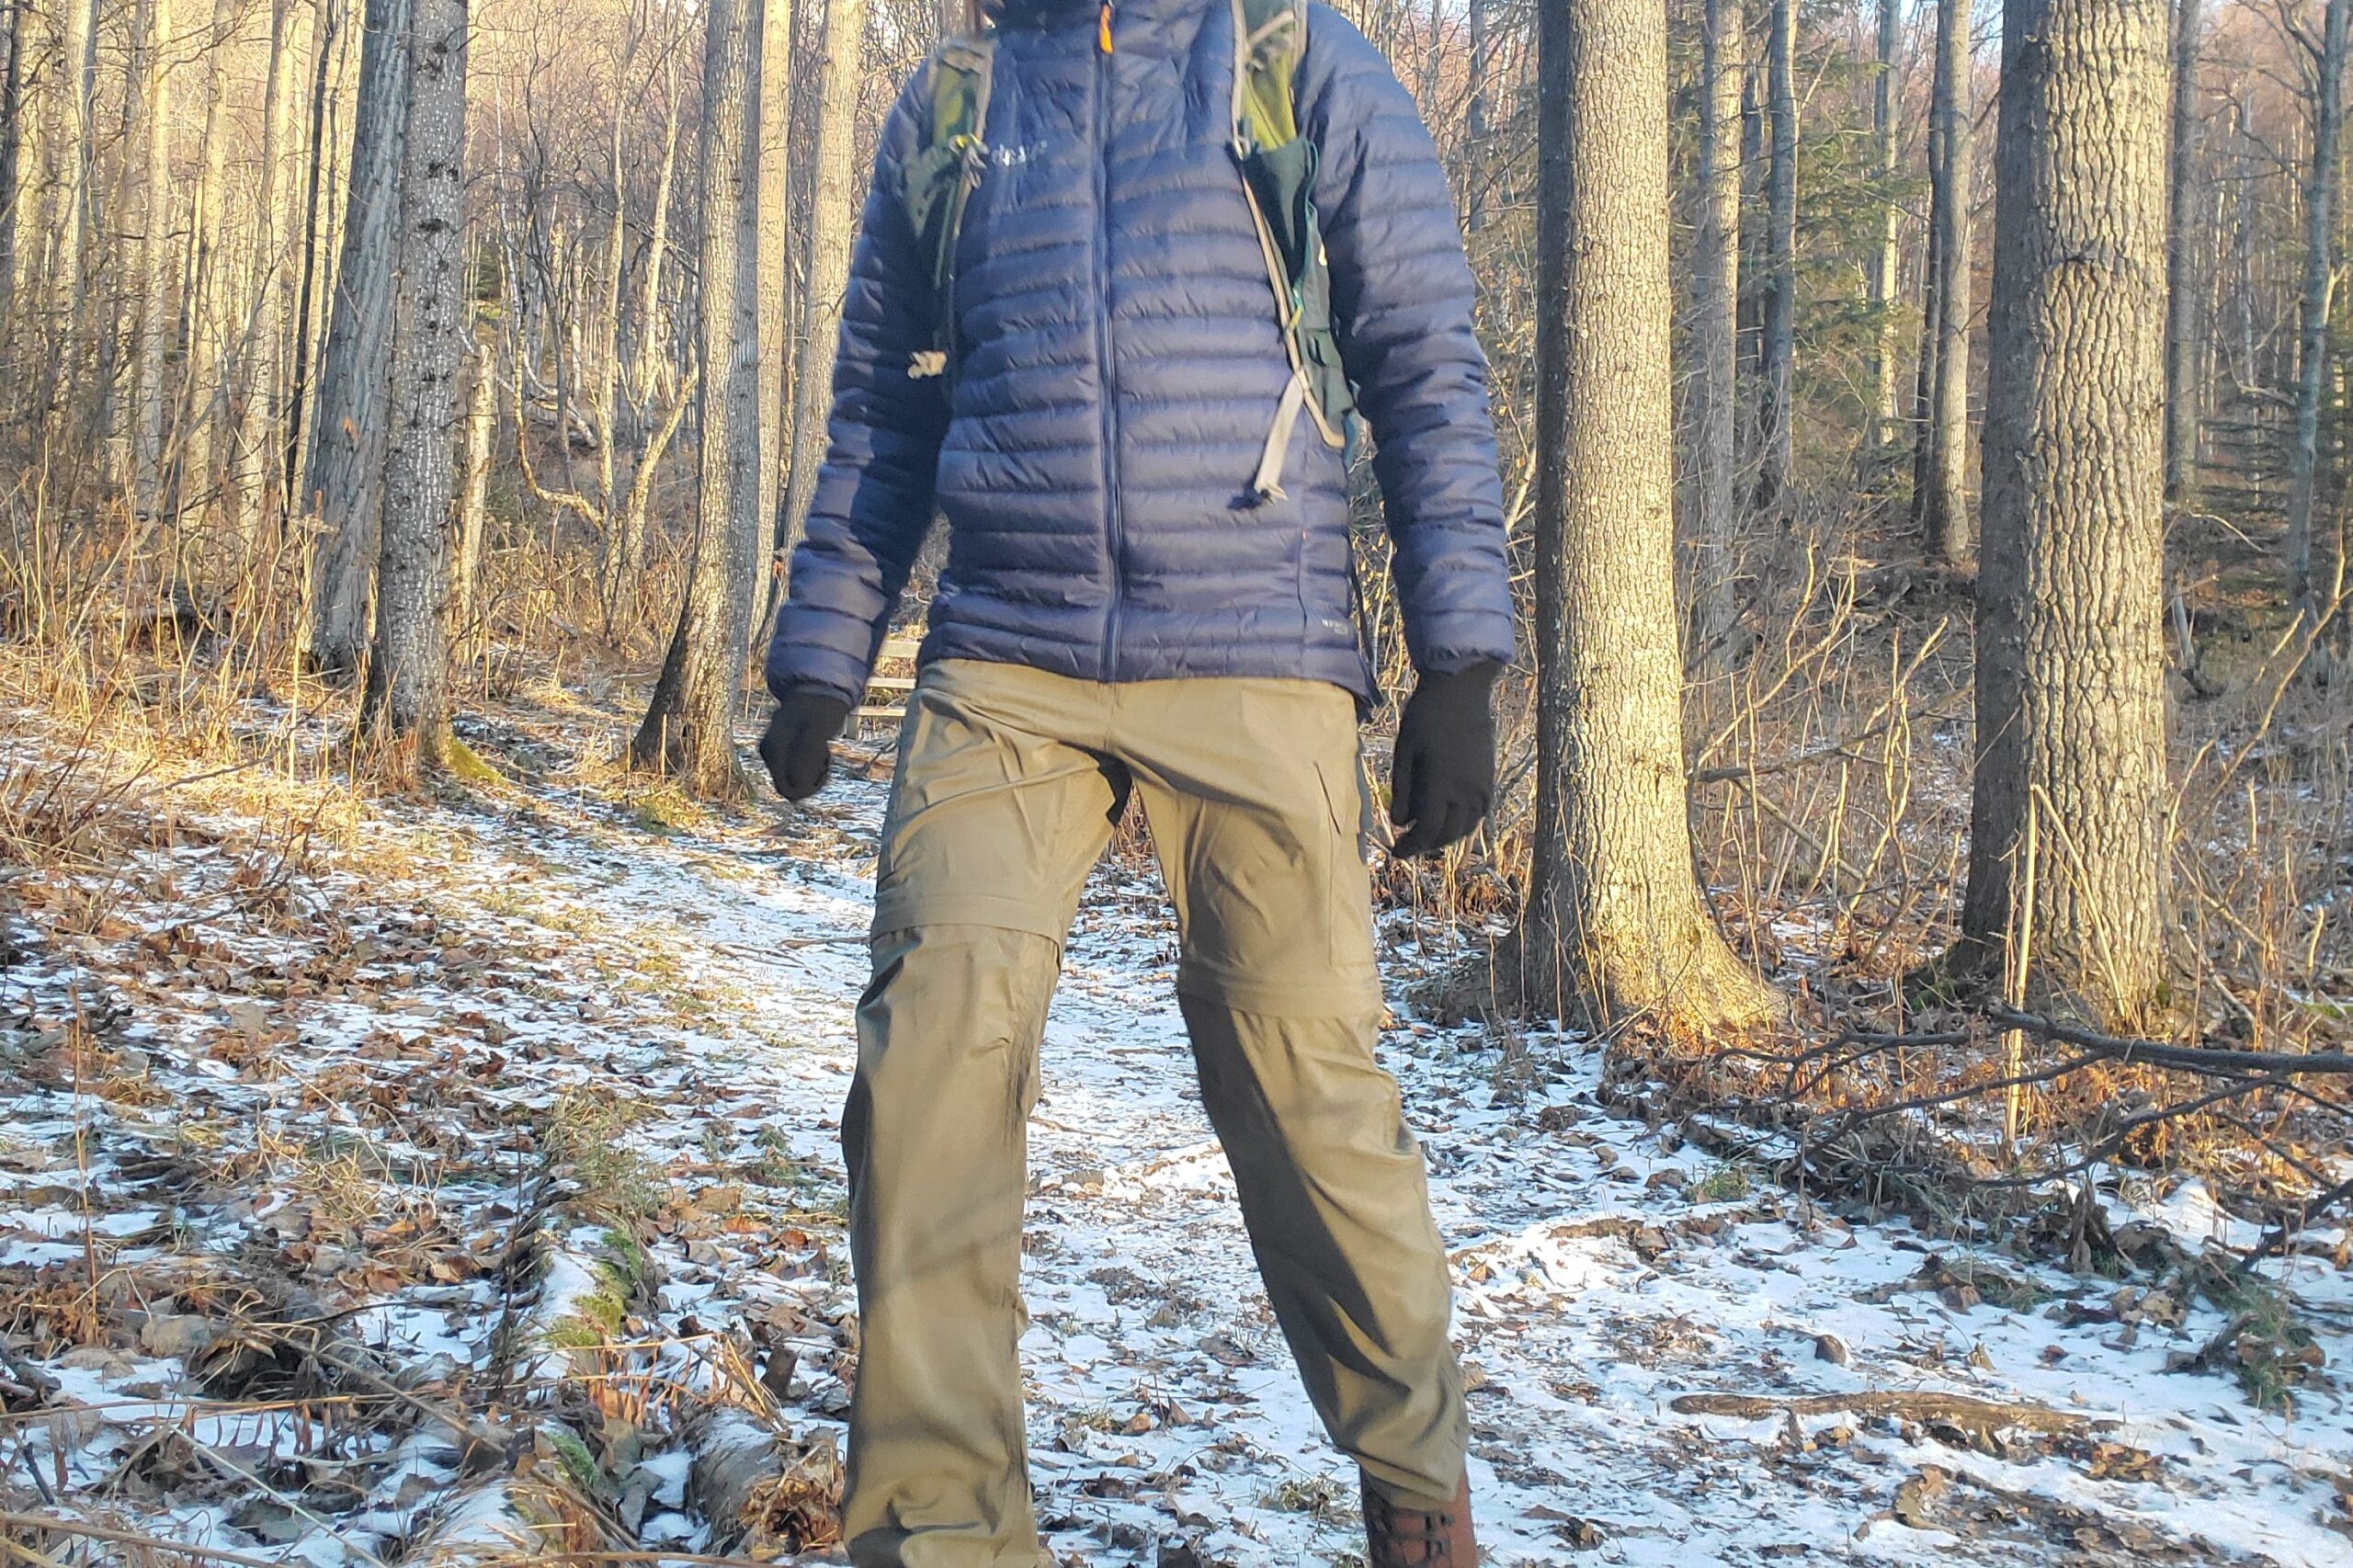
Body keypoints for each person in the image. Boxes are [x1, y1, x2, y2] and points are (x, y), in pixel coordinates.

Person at [759, 0, 1511, 1562]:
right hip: (1007, 651)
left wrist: (1462, 662)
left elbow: (1421, 361)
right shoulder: (958, 99)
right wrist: (823, 650)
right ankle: (942, 1529)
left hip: (1255, 631)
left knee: (1300, 1074)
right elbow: (884, 410)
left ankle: (1415, 1488)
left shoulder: (1294, 69)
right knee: (928, 1065)